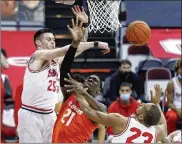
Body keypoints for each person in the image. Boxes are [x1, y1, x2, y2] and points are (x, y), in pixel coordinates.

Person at [17, 5, 110, 143]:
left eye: (53, 40)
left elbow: (76, 48)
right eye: (48, 39)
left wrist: (85, 24)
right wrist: (97, 43)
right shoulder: (37, 56)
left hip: (49, 115)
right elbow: (68, 48)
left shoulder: (57, 60)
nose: (52, 42)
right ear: (38, 43)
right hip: (31, 113)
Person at [52, 12, 108, 142]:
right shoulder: (71, 94)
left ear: (98, 91)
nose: (90, 79)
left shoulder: (98, 107)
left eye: (94, 80)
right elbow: (64, 69)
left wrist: (83, 92)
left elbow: (103, 112)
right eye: (89, 78)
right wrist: (75, 44)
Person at [76, 84, 167, 143]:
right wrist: (157, 103)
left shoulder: (122, 121)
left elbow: (89, 112)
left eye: (144, 106)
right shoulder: (156, 133)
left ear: (141, 116)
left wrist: (80, 94)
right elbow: (163, 124)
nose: (142, 103)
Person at [166, 59, 182, 134]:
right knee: (172, 117)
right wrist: (177, 110)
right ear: (177, 70)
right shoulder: (172, 83)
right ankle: (170, 137)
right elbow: (169, 103)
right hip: (175, 108)